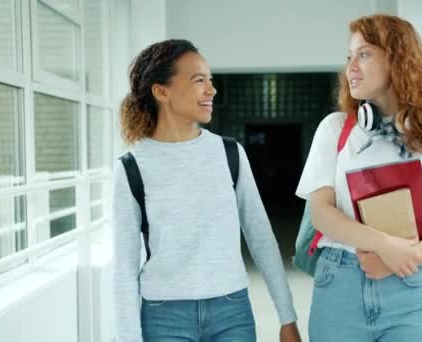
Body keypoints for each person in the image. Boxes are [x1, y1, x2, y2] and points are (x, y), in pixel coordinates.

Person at [296, 15, 422, 341]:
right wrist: (385, 246)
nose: (351, 68)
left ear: (398, 58)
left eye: (364, 54)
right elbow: (322, 213)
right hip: (341, 283)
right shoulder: (334, 130)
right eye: (349, 57)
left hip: (411, 283)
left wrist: (399, 260)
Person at [112, 39, 301, 342]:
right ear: (162, 91)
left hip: (232, 312)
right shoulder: (132, 167)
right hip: (163, 318)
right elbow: (123, 268)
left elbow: (261, 238)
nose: (211, 90)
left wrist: (286, 315)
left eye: (210, 81)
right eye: (199, 81)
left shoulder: (230, 153)